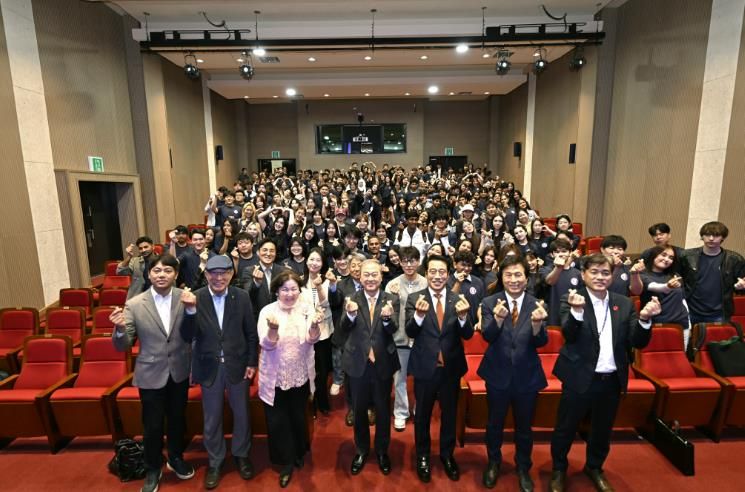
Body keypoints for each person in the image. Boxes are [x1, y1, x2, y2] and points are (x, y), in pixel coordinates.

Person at [549, 253, 662, 492]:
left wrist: (644, 319)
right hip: (579, 377)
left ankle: (594, 467)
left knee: (602, 430)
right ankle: (558, 469)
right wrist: (577, 311)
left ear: (612, 276)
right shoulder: (571, 298)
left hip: (611, 380)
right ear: (583, 275)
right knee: (565, 428)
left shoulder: (624, 303)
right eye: (594, 272)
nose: (600, 277)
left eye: (605, 273)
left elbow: (637, 342)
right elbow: (568, 335)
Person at [110, 254, 195, 492]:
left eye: (167, 270)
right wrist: (119, 329)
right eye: (157, 271)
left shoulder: (186, 298)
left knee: (177, 420)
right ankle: (153, 468)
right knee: (152, 425)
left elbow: (191, 335)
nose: (161, 275)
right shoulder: (135, 304)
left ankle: (175, 458)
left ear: (175, 274)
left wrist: (191, 311)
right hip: (150, 373)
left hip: (179, 371)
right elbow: (123, 344)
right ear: (149, 274)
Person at [180, 255, 259, 489]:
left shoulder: (241, 296)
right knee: (212, 417)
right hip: (209, 366)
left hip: (238, 364)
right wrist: (190, 311)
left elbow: (251, 334)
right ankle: (215, 460)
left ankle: (241, 454)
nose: (219, 278)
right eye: (213, 273)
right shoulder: (196, 297)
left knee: (242, 413)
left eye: (224, 273)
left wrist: (252, 362)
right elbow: (186, 335)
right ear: (206, 275)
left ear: (231, 274)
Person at [478, 255, 548, 490]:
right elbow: (487, 336)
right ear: (502, 277)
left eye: (518, 275)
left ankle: (523, 467)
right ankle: (493, 462)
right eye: (508, 275)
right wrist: (498, 319)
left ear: (527, 278)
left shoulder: (537, 304)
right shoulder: (489, 302)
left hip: (527, 376)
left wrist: (537, 325)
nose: (513, 279)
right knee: (494, 424)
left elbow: (541, 342)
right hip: (497, 374)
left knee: (524, 428)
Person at [405, 254, 474, 483]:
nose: (437, 276)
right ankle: (423, 456)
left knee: (449, 415)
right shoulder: (415, 298)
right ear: (426, 274)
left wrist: (463, 318)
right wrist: (418, 315)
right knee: (422, 416)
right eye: (433, 271)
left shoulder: (458, 299)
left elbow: (468, 334)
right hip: (425, 369)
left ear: (448, 274)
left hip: (451, 370)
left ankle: (447, 455)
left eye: (442, 272)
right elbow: (410, 331)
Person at [257, 269, 324, 487]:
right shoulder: (267, 311)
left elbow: (312, 340)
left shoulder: (306, 309)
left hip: (300, 373)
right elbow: (266, 344)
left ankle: (298, 452)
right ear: (277, 291)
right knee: (278, 420)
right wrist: (273, 329)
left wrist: (314, 326)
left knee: (297, 415)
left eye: (294, 289)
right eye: (285, 289)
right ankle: (285, 462)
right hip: (275, 375)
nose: (289, 294)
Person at [341, 259, 401, 476]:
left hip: (382, 363)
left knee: (383, 411)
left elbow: (393, 328)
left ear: (381, 277)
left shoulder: (391, 299)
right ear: (360, 276)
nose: (370, 278)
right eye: (366, 275)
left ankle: (382, 451)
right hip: (358, 363)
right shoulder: (351, 298)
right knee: (358, 411)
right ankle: (361, 450)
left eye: (374, 274)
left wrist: (386, 319)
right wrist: (350, 314)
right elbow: (343, 327)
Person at [384, 246, 428, 432]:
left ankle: (420, 408)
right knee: (399, 379)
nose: (409, 265)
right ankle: (401, 412)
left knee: (422, 378)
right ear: (400, 263)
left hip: (422, 339)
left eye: (412, 261)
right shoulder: (392, 284)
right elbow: (386, 312)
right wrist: (392, 298)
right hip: (399, 337)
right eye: (405, 261)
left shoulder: (426, 282)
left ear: (418, 262)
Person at [300, 248, 342, 416]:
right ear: (306, 261)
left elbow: (327, 304)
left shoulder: (328, 281)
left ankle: (322, 401)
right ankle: (310, 404)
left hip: (323, 332)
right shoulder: (299, 281)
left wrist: (318, 286)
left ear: (323, 263)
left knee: (322, 371)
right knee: (307, 369)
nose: (314, 263)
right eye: (311, 259)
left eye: (318, 260)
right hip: (305, 332)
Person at [678, 221, 745, 325]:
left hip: (719, 313)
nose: (711, 238)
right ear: (702, 236)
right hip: (689, 310)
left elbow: (740, 287)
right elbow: (676, 279)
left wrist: (740, 287)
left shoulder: (734, 259)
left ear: (723, 238)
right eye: (707, 235)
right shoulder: (687, 256)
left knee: (715, 336)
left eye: (716, 235)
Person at [631, 246, 691, 346]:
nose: (667, 259)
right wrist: (668, 286)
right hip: (656, 325)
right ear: (653, 255)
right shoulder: (642, 275)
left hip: (681, 324)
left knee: (679, 355)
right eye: (663, 255)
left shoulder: (675, 275)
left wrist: (688, 322)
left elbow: (682, 300)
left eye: (671, 258)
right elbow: (654, 287)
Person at [242, 238, 287, 322]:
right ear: (258, 252)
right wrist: (256, 283)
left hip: (279, 317)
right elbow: (247, 294)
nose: (268, 254)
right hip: (257, 318)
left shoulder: (283, 271)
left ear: (275, 253)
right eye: (265, 250)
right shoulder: (249, 270)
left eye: (272, 251)